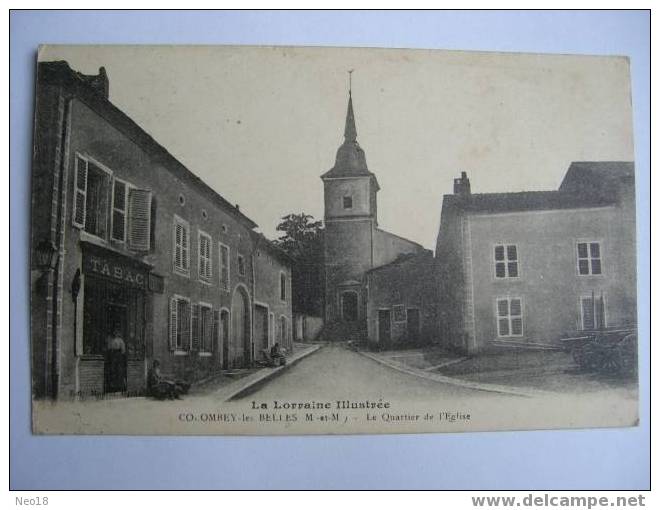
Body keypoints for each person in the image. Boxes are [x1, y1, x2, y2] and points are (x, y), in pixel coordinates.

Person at [105, 326, 127, 392]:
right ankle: (112, 387)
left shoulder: (120, 340)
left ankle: (119, 387)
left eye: (116, 332)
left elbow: (123, 350)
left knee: (119, 371)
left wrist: (120, 355)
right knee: (112, 370)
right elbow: (108, 348)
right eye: (114, 332)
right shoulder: (110, 339)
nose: (115, 333)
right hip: (112, 356)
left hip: (118, 357)